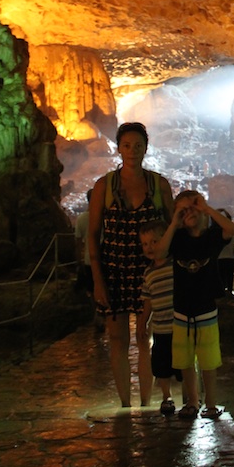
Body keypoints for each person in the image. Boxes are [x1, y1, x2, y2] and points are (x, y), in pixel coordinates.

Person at [88, 122, 175, 409]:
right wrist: (98, 280)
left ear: (146, 148)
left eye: (138, 146)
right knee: (117, 338)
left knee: (144, 335)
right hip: (113, 269)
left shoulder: (158, 185)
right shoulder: (105, 186)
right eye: (127, 145)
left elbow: (172, 228)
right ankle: (126, 402)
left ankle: (146, 401)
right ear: (118, 148)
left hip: (148, 272)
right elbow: (92, 234)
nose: (132, 151)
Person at [158, 190, 234, 419]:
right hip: (182, 310)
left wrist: (206, 208)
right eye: (184, 211)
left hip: (206, 309)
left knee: (208, 361)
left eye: (193, 208)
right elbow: (160, 252)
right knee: (185, 361)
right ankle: (193, 401)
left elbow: (230, 230)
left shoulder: (212, 236)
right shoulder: (178, 238)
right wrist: (174, 222)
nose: (189, 213)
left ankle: (211, 403)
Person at [136, 219, 185, 416]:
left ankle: (189, 396)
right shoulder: (148, 273)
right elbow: (147, 301)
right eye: (145, 244)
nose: (150, 247)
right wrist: (142, 323)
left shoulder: (176, 265)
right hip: (160, 329)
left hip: (179, 325)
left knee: (183, 363)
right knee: (161, 365)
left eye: (155, 241)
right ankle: (167, 397)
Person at [72, 190, 97, 326]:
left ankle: (97, 313)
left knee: (92, 289)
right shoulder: (103, 217)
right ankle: (101, 314)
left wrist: (78, 262)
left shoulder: (82, 219)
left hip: (88, 260)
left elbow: (77, 243)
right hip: (103, 259)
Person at [216, 208, 234, 295]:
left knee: (220, 277)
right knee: (229, 277)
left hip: (218, 259)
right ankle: (229, 293)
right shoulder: (233, 236)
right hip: (230, 259)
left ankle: (221, 294)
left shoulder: (214, 235)